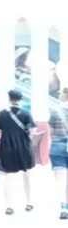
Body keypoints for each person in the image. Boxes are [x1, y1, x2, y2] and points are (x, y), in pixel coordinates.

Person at [0, 89, 36, 215]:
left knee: (9, 177)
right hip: (23, 148)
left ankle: (9, 206)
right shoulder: (26, 113)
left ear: (9, 98)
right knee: (27, 175)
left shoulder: (2, 114)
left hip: (7, 148)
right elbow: (32, 133)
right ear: (21, 99)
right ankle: (29, 203)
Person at [51, 89, 68, 219]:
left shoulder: (55, 111)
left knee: (60, 180)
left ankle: (63, 206)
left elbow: (51, 132)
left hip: (58, 148)